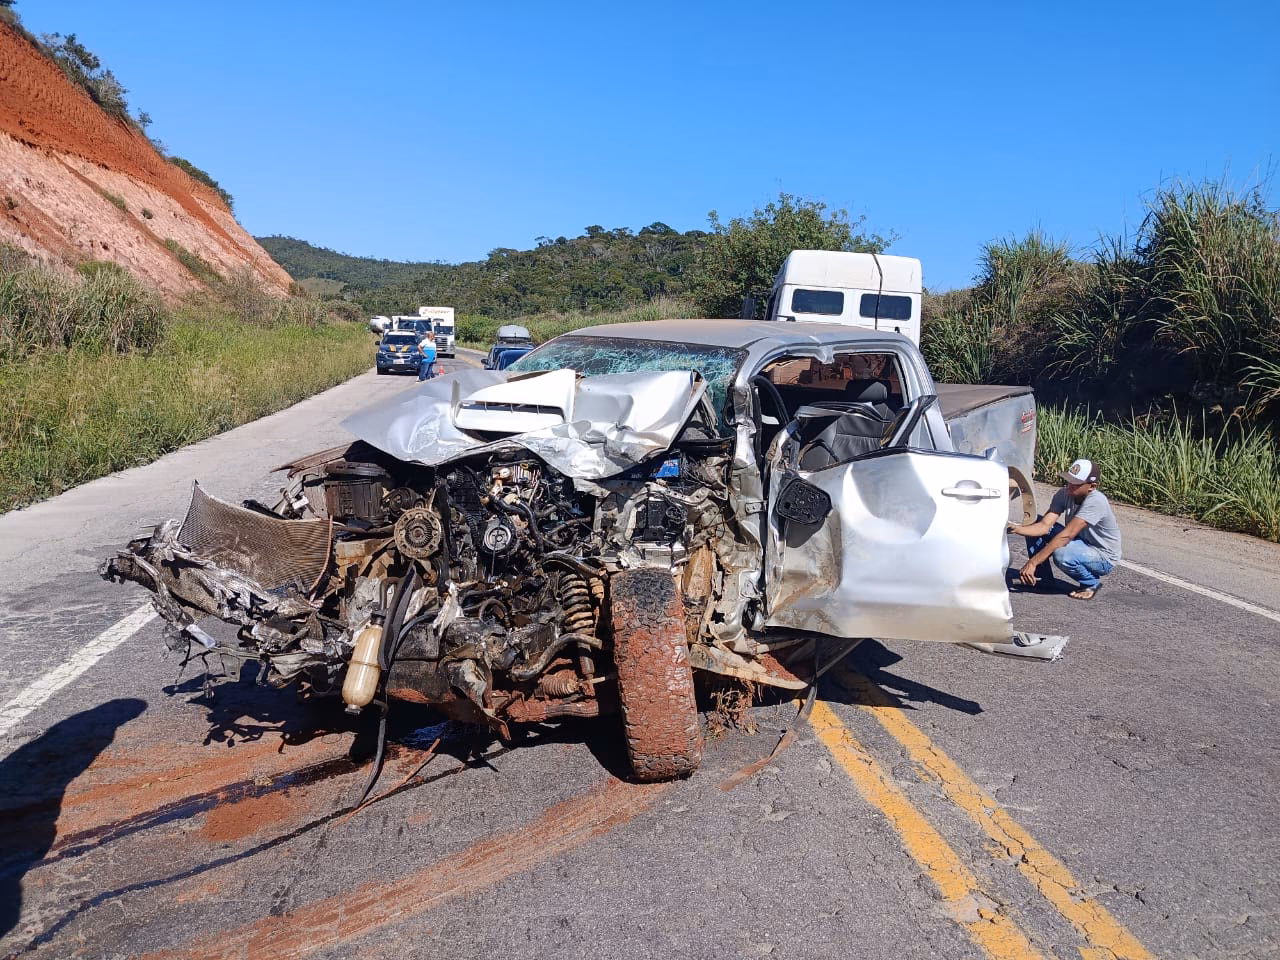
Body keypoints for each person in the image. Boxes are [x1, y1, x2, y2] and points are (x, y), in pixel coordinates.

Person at [1007, 458, 1122, 600]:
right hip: (1079, 542)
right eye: (1069, 481)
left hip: (1102, 556)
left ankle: (1090, 583)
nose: (1070, 486)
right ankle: (1043, 579)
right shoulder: (1064, 494)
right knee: (1034, 522)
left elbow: (1066, 536)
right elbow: (1044, 526)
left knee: (1062, 554)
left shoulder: (1096, 501)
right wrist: (1015, 529)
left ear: (1091, 486)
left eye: (1076, 484)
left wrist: (1032, 562)